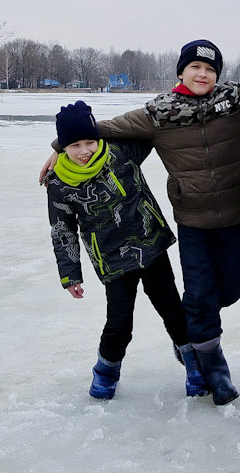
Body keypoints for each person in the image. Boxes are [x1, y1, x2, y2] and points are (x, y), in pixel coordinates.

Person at [40, 40, 240, 405]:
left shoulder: (232, 101)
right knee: (136, 317)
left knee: (201, 300)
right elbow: (63, 227)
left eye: (209, 69)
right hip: (141, 245)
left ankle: (196, 356)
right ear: (181, 72)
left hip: (188, 232)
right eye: (194, 67)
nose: (202, 74)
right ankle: (129, 370)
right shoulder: (63, 183)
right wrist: (59, 145)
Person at [45, 100, 204, 400]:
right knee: (119, 322)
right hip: (112, 260)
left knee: (172, 307)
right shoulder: (59, 183)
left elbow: (150, 124)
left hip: (151, 247)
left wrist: (60, 144)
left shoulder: (122, 153)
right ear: (64, 148)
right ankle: (106, 370)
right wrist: (70, 275)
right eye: (74, 145)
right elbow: (62, 230)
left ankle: (193, 362)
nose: (84, 151)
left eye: (90, 141)